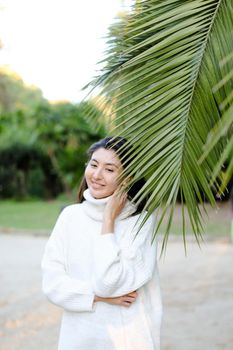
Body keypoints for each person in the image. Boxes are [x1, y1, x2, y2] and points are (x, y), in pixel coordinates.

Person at [41, 136, 162, 350]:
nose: (96, 175)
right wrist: (99, 297)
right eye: (94, 165)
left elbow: (110, 282)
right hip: (78, 338)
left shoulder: (140, 222)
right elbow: (52, 284)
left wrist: (108, 220)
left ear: (127, 178)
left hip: (128, 340)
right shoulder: (70, 217)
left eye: (109, 169)